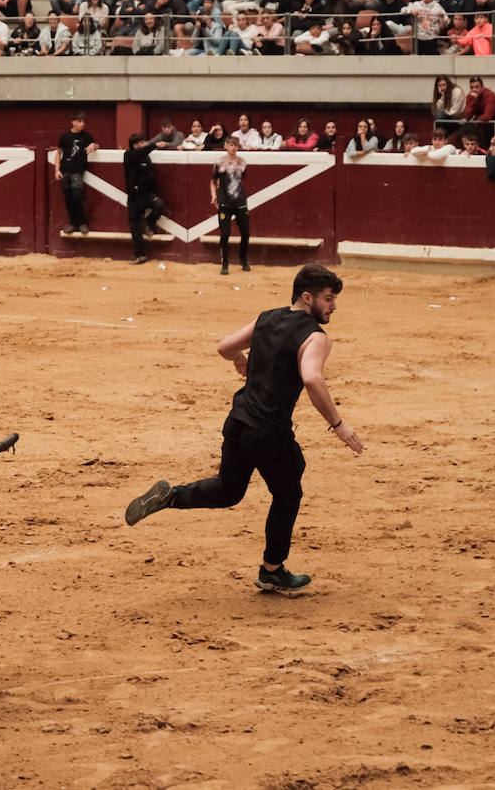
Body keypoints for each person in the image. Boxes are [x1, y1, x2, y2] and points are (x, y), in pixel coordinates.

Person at [123, 263, 364, 593]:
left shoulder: (267, 317)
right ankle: (272, 570)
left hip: (238, 421)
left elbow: (225, 347)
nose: (333, 306)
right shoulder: (315, 337)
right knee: (288, 493)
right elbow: (311, 378)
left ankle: (170, 496)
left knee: (228, 490)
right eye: (328, 299)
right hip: (269, 431)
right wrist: (338, 425)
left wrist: (239, 357)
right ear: (308, 298)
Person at [123, 132, 167, 264]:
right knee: (134, 226)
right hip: (134, 197)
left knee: (159, 205)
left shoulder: (145, 157)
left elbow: (151, 176)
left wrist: (140, 183)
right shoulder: (129, 155)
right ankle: (140, 255)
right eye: (142, 143)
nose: (144, 144)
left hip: (145, 194)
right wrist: (154, 145)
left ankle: (148, 221)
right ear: (135, 145)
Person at [211, 135, 250, 275]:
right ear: (226, 146)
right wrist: (214, 195)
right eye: (230, 145)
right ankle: (225, 263)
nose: (233, 147)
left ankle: (243, 259)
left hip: (240, 202)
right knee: (225, 233)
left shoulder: (242, 162)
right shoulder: (219, 162)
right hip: (224, 202)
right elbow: (212, 180)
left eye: (235, 145)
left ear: (238, 147)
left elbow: (241, 180)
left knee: (246, 232)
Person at [54, 112, 97, 234]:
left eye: (83, 121)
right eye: (79, 121)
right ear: (73, 122)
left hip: (77, 171)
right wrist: (57, 169)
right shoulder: (65, 136)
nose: (82, 124)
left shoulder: (86, 136)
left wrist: (94, 145)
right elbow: (58, 153)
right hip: (65, 170)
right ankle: (73, 223)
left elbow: (96, 144)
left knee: (77, 197)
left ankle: (81, 222)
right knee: (68, 199)